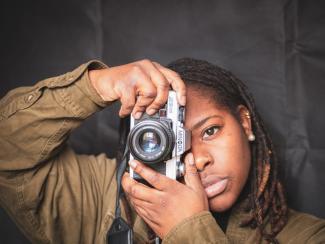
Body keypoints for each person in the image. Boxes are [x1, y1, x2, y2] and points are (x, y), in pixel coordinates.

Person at [0, 58, 324, 244]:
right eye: (171, 140)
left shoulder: (307, 236)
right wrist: (96, 85)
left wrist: (186, 229)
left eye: (210, 131)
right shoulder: (105, 199)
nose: (197, 159)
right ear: (140, 140)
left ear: (244, 122)